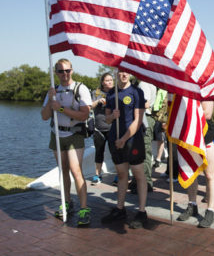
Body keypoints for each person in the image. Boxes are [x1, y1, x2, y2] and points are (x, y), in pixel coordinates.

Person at [41, 58, 92, 226]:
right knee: (63, 170)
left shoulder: (80, 88)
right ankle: (67, 202)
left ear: (72, 70)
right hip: (57, 134)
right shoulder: (53, 90)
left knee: (76, 170)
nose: (64, 74)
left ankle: (84, 209)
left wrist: (61, 109)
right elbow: (44, 116)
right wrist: (50, 100)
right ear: (55, 73)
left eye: (67, 70)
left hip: (74, 134)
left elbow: (84, 115)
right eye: (61, 71)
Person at [102, 71, 148, 229]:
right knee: (121, 175)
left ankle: (142, 212)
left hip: (133, 141)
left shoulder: (137, 92)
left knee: (138, 175)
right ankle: (120, 208)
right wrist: (112, 117)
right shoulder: (111, 94)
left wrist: (124, 139)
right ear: (116, 73)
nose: (123, 74)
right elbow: (106, 119)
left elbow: (138, 120)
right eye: (120, 71)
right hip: (115, 139)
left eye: (126, 71)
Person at [177, 101, 214, 228]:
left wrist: (184, 115)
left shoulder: (206, 87)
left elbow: (207, 113)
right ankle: (192, 205)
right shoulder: (185, 88)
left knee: (209, 175)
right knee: (191, 173)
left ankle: (210, 211)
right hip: (188, 135)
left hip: (207, 135)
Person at [90, 72, 114, 185]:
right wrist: (98, 101)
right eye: (107, 80)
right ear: (102, 82)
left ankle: (120, 175)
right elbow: (89, 106)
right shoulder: (96, 93)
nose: (109, 82)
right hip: (99, 128)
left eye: (111, 80)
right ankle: (97, 174)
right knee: (99, 152)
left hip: (113, 127)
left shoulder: (116, 93)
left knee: (116, 152)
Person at [134, 80, 157, 193]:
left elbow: (146, 103)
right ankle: (139, 181)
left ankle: (146, 182)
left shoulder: (144, 84)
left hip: (144, 118)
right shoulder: (148, 83)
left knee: (144, 152)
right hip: (146, 117)